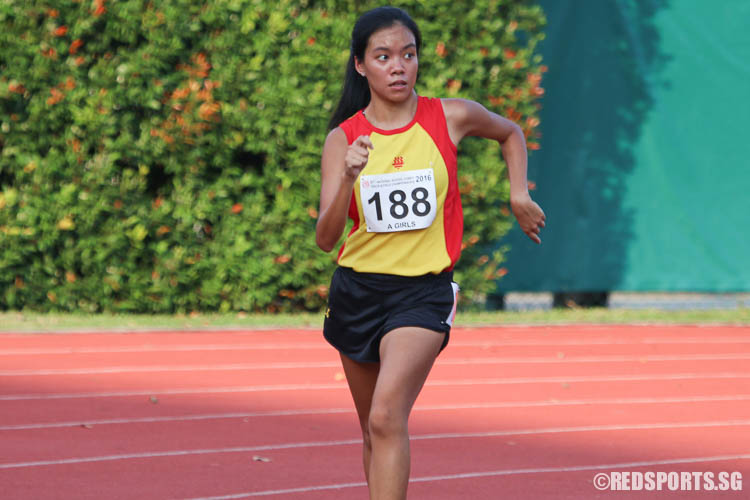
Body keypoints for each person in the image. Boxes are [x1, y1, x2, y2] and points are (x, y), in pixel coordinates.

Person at [315, 6, 545, 499]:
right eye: (383, 56)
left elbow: (510, 132)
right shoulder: (343, 140)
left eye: (408, 54)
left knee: (386, 414)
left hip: (422, 293)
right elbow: (325, 237)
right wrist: (348, 178)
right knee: (372, 431)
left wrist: (518, 193)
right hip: (356, 289)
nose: (398, 66)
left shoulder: (449, 116)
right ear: (361, 65)